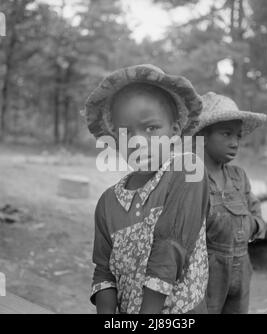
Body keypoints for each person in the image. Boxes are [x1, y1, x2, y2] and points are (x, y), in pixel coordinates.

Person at [84, 64, 209, 314]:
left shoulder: (187, 171)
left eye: (151, 128)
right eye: (126, 132)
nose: (138, 141)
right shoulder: (108, 203)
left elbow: (170, 248)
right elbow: (104, 272)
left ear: (175, 130)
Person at [195, 92, 267, 314]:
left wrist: (251, 227)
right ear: (203, 137)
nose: (235, 143)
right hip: (207, 271)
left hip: (242, 268)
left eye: (238, 136)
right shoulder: (192, 179)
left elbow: (257, 216)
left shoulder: (238, 177)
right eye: (226, 134)